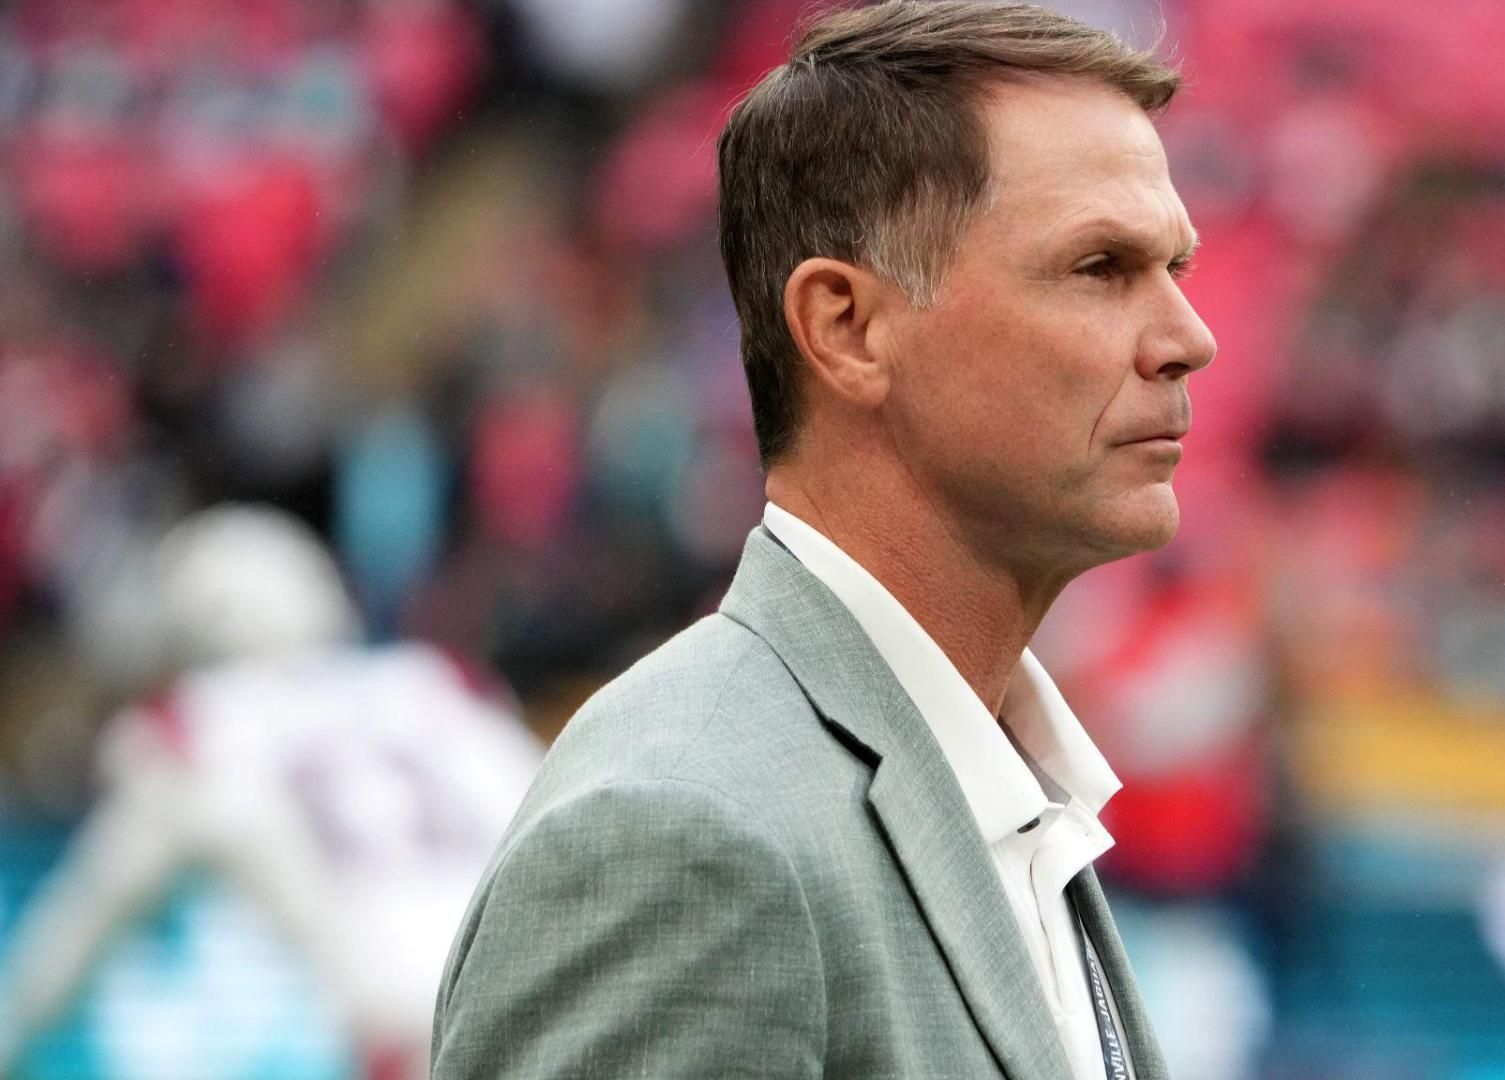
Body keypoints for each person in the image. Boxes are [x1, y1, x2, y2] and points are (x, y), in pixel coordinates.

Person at [430, 1, 1217, 1076]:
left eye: (1176, 267)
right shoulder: (684, 833)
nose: (1189, 338)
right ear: (847, 329)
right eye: (1101, 268)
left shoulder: (1010, 793)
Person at [0, 505, 544, 1080]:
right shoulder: (443, 686)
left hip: (415, 1041)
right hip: (551, 1003)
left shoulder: (194, 729)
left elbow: (77, 934)